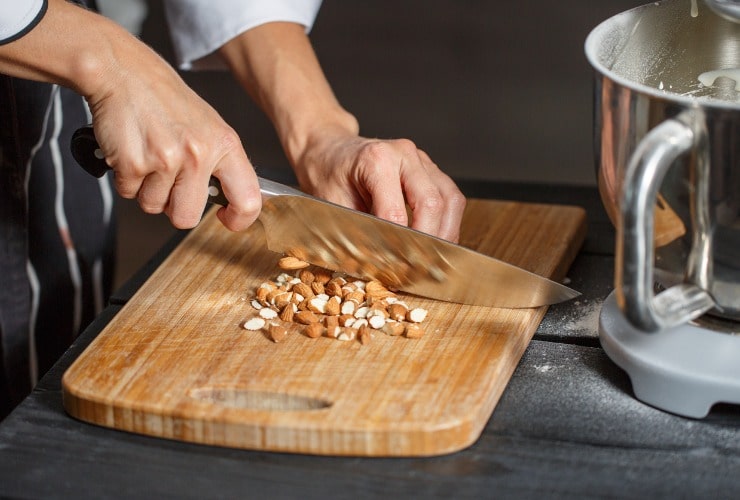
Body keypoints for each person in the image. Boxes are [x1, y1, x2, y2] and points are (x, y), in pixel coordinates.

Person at [0, 0, 466, 418]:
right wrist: (113, 64)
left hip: (56, 91)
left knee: (46, 376)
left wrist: (319, 131)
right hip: (65, 55)